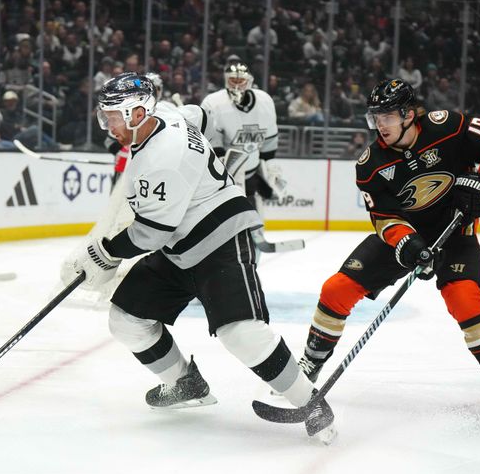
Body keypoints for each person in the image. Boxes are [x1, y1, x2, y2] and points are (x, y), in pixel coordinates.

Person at [60, 73, 335, 442]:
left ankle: (313, 404)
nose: (106, 124)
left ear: (138, 112)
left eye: (112, 116)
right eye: (105, 115)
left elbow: (150, 233)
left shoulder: (162, 157)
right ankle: (184, 383)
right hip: (179, 248)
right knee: (127, 320)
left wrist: (105, 253)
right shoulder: (169, 116)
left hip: (220, 239)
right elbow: (197, 114)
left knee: (241, 333)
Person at [296, 79, 480, 427]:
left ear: (409, 114)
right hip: (406, 239)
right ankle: (310, 364)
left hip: (455, 233)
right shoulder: (370, 163)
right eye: (376, 117)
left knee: (465, 298)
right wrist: (408, 244)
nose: (380, 125)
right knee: (335, 290)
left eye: (387, 116)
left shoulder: (449, 126)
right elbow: (384, 218)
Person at [200, 61, 285, 251]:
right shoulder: (214, 103)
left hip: (251, 174)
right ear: (225, 81)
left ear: (250, 81)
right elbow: (214, 147)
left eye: (241, 80)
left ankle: (250, 258)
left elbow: (269, 143)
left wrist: (269, 173)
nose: (237, 85)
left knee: (254, 224)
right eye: (233, 80)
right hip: (221, 179)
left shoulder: (264, 101)